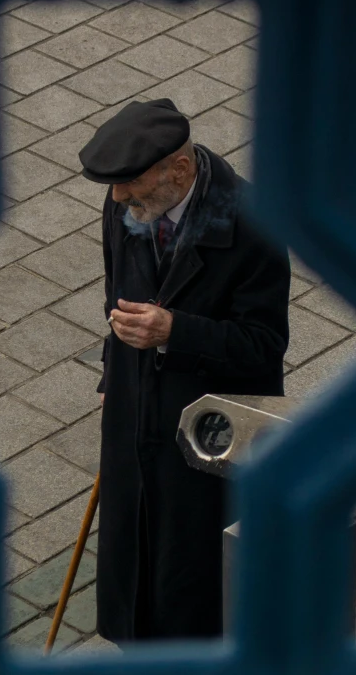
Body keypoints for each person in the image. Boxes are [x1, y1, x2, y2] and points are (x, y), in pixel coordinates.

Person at [78, 98, 290, 644]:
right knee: (132, 570)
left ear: (180, 169)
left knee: (189, 583)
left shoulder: (254, 225)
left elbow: (264, 346)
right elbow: (115, 298)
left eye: (131, 183)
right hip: (134, 413)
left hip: (207, 433)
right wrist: (112, 375)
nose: (118, 197)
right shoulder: (127, 204)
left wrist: (175, 329)